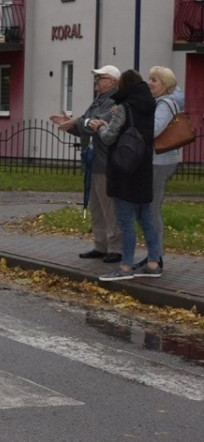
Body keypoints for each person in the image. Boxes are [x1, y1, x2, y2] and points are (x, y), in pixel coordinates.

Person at [87, 69, 158, 281]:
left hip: (124, 171)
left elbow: (109, 138)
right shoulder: (150, 106)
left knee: (125, 222)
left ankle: (125, 267)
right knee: (146, 220)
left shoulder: (124, 108)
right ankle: (153, 263)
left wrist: (100, 126)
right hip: (143, 168)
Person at [50, 65, 122, 263]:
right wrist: (69, 124)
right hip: (91, 160)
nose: (96, 81)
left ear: (113, 81)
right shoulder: (98, 101)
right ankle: (100, 245)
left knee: (109, 207)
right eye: (96, 78)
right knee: (96, 206)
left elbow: (95, 124)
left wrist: (77, 122)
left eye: (101, 77)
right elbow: (85, 126)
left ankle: (116, 247)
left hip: (105, 161)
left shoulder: (115, 101)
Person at [144, 66, 183, 273]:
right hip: (156, 161)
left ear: (165, 85)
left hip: (160, 162)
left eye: (154, 80)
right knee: (148, 209)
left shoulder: (165, 104)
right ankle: (153, 254)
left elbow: (154, 130)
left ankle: (156, 257)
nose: (149, 82)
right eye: (150, 78)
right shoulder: (157, 103)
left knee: (151, 209)